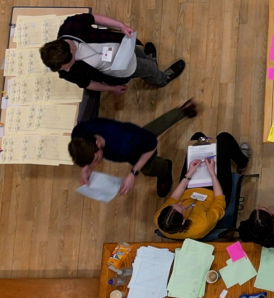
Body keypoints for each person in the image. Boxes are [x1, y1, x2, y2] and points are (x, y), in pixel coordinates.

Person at [70, 100, 198, 199]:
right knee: (151, 130)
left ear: (97, 143)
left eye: (96, 159)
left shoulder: (127, 146)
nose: (96, 164)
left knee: (148, 167)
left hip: (135, 146)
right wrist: (86, 167)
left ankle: (164, 169)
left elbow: (152, 146)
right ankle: (182, 110)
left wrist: (133, 173)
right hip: (132, 133)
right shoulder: (78, 134)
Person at [40, 13, 183, 93]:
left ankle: (152, 64)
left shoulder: (71, 26)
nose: (66, 70)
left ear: (71, 50)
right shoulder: (66, 72)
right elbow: (88, 83)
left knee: (142, 56)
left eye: (66, 65)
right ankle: (162, 79)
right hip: (124, 68)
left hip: (125, 45)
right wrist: (111, 88)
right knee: (149, 68)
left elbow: (94, 18)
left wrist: (121, 25)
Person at [156, 132, 249, 241]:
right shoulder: (201, 225)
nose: (180, 202)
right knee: (224, 138)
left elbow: (175, 197)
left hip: (189, 190)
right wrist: (212, 173)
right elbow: (219, 201)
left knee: (197, 139)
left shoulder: (160, 218)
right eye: (181, 208)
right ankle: (242, 162)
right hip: (214, 195)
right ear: (183, 221)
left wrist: (189, 174)